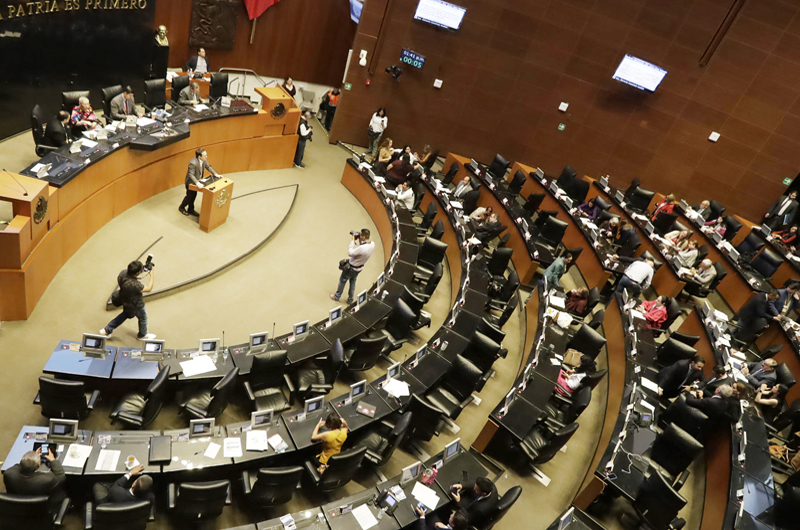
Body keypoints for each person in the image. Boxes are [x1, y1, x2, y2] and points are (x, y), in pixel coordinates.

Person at [101, 260, 156, 340]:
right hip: (135, 304)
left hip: (124, 298)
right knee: (143, 317)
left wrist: (143, 269)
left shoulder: (123, 273)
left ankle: (108, 329)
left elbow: (131, 274)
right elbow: (148, 288)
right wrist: (152, 275)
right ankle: (142, 335)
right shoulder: (134, 284)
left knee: (125, 314)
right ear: (137, 273)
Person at [331, 229, 375, 304]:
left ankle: (336, 296)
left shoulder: (362, 248)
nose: (359, 236)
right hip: (359, 268)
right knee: (353, 282)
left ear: (363, 237)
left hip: (351, 268)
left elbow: (350, 253)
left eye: (360, 235)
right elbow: (362, 247)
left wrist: (352, 241)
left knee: (343, 280)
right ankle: (350, 299)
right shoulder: (372, 244)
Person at [179, 148, 220, 216]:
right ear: (199, 157)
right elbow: (191, 174)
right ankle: (182, 207)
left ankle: (191, 209)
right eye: (205, 156)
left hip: (197, 181)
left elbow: (208, 167)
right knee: (189, 196)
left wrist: (215, 174)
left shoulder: (203, 160)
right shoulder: (193, 163)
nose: (206, 157)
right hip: (191, 182)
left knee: (193, 196)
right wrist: (197, 183)